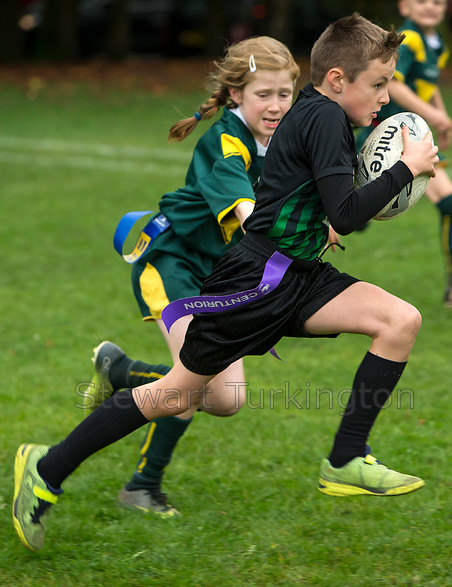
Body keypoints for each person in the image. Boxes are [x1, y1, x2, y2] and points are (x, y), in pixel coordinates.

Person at [14, 13, 439, 552]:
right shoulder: (322, 119)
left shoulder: (318, 114)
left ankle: (346, 458)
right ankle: (46, 468)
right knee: (179, 394)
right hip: (258, 278)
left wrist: (329, 214)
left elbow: (314, 196)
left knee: (400, 320)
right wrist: (406, 168)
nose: (386, 95)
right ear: (337, 80)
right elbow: (348, 211)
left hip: (298, 273)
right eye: (378, 84)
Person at [86, 36, 300, 518]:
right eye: (262, 95)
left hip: (217, 278)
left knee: (227, 400)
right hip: (174, 262)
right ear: (236, 95)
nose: (275, 105)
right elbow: (247, 211)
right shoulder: (224, 140)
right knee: (186, 386)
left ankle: (120, 371)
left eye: (284, 94)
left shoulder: (288, 139)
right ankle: (142, 487)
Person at [355, 0, 452, 310]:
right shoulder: (409, 39)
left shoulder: (436, 44)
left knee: (451, 201)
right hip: (387, 141)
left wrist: (440, 116)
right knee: (349, 216)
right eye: (421, 1)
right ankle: (278, 271)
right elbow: (396, 84)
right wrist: (434, 115)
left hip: (414, 139)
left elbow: (430, 85)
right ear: (404, 7)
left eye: (438, 2)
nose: (430, 6)